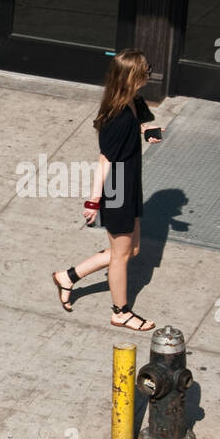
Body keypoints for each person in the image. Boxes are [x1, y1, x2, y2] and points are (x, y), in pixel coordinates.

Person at [51, 49, 161, 332]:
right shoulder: (116, 117)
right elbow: (105, 161)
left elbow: (142, 121)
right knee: (122, 255)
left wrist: (147, 131)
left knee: (131, 249)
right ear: (134, 75)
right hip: (118, 188)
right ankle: (120, 311)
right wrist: (93, 201)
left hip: (130, 183)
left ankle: (68, 276)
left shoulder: (133, 102)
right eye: (147, 69)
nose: (150, 72)